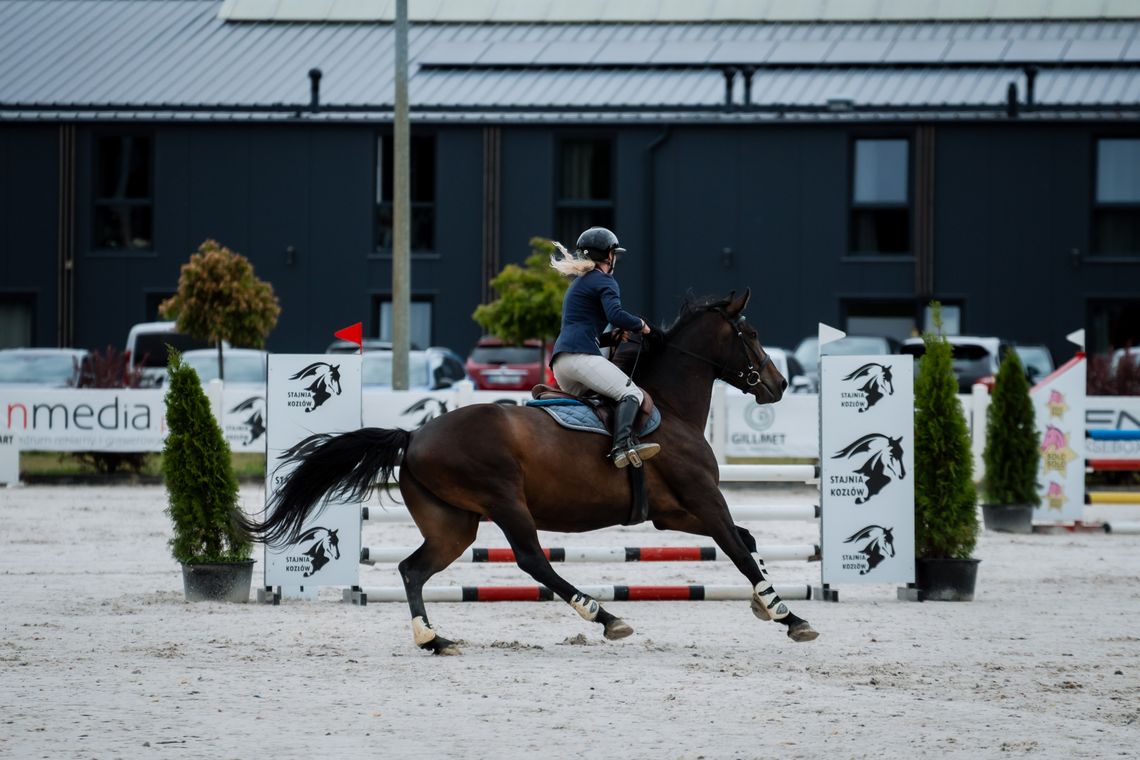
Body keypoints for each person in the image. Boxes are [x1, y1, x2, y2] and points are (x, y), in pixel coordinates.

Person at [549, 226, 661, 468]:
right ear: (608, 255)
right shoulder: (604, 280)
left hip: (561, 363)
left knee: (597, 408)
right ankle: (622, 446)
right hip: (580, 359)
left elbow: (582, 328)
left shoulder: (580, 282)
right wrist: (641, 325)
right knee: (631, 393)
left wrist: (611, 340)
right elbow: (616, 314)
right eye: (614, 253)